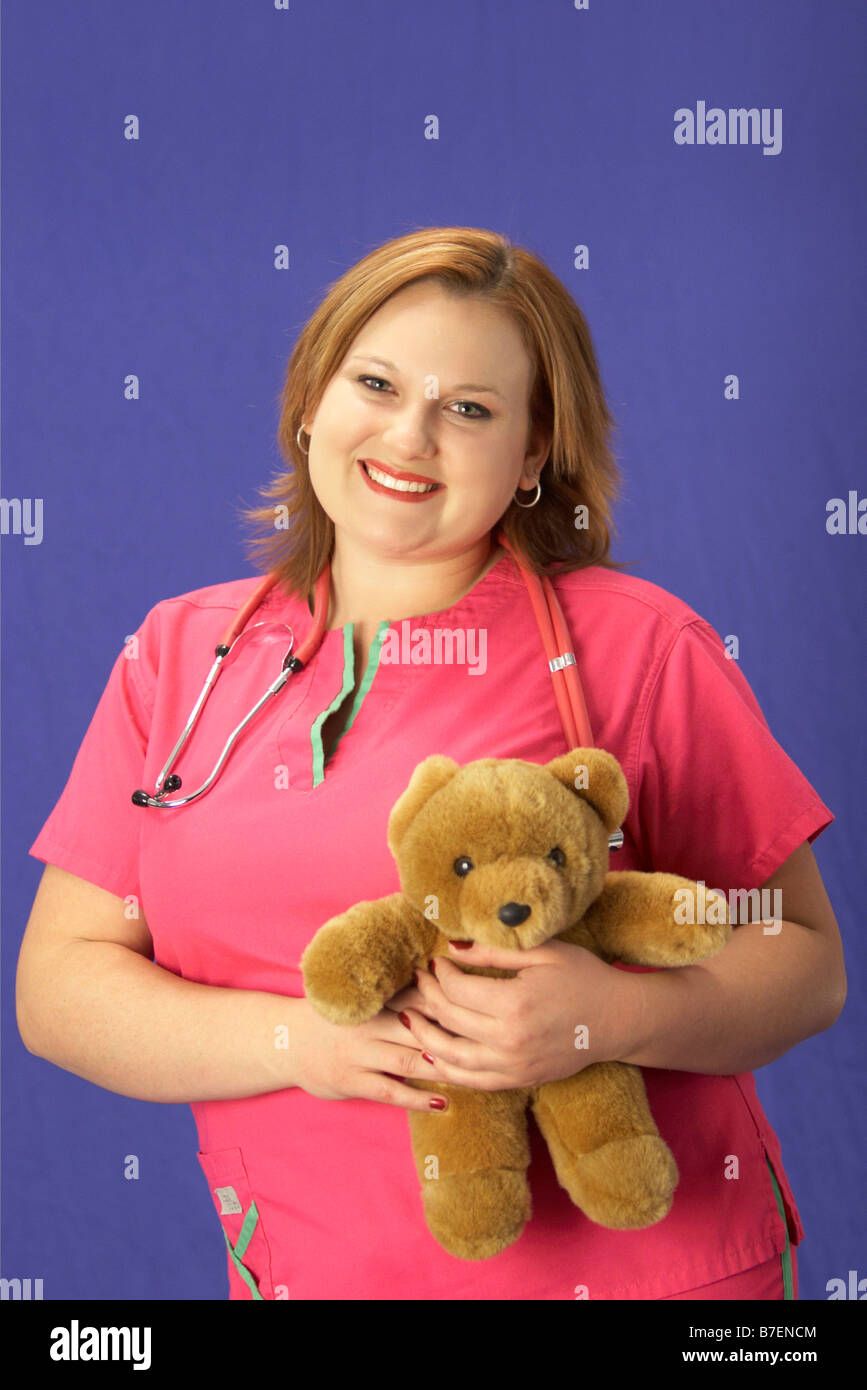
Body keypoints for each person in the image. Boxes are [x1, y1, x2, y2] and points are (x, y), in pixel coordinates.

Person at [18, 226, 845, 1301]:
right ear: (312, 398)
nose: (411, 435)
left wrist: (604, 1014)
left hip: (655, 1280)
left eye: (470, 408)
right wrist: (297, 1040)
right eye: (376, 382)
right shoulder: (179, 659)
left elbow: (804, 959)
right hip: (318, 1270)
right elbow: (59, 987)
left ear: (533, 453)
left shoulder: (640, 649)